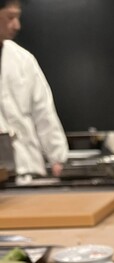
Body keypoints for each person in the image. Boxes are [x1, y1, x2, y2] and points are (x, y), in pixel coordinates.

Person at [0, 0, 68, 177]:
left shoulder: (23, 60)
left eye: (18, 17)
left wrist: (57, 158)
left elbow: (43, 111)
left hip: (28, 168)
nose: (17, 25)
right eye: (10, 17)